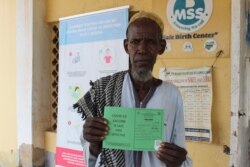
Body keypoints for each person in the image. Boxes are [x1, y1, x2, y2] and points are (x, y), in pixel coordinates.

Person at [74, 11, 192, 167]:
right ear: (126, 46)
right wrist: (92, 142)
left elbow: (180, 151)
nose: (142, 49)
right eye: (135, 41)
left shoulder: (172, 94)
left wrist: (179, 161)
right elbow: (91, 156)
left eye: (150, 42)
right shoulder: (104, 88)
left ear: (161, 47)